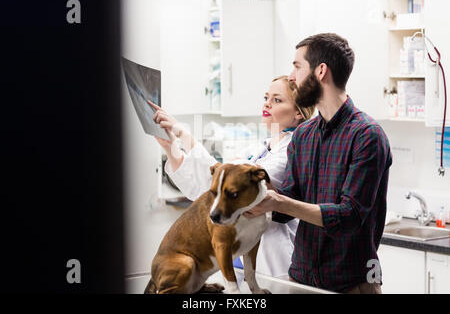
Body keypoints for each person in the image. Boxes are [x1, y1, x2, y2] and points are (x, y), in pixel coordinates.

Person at [244, 33, 393, 294]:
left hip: (352, 283)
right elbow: (289, 202)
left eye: (298, 66)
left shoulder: (367, 135)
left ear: (321, 71)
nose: (291, 76)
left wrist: (281, 202)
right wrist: (259, 195)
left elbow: (350, 215)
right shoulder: (304, 135)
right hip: (301, 278)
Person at [148, 75, 315, 278]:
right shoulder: (260, 147)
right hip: (240, 249)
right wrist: (171, 146)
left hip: (270, 257)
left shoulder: (293, 148)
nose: (267, 104)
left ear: (298, 111)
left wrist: (183, 135)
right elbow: (212, 189)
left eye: (277, 100)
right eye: (266, 97)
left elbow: (233, 184)